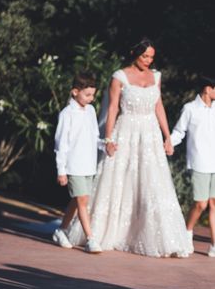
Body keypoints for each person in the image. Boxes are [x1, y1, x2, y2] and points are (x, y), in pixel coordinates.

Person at [67, 38, 192, 257]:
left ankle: (159, 237)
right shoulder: (119, 77)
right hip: (125, 132)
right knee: (118, 181)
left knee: (152, 181)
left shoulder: (156, 76)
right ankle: (105, 233)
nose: (149, 60)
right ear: (135, 54)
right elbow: (113, 107)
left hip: (150, 134)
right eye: (145, 56)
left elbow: (159, 105)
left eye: (152, 57)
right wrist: (108, 138)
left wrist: (167, 135)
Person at [171, 75, 215, 259]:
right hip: (199, 162)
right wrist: (168, 144)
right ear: (208, 89)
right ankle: (187, 232)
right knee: (201, 203)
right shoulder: (190, 109)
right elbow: (179, 132)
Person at [53, 72, 103, 254]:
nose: (91, 99)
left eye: (93, 95)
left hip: (88, 164)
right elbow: (61, 144)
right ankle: (91, 239)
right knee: (82, 200)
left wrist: (106, 146)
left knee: (78, 200)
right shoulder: (67, 114)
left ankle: (61, 230)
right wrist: (61, 170)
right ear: (75, 92)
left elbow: (95, 137)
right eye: (87, 95)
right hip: (73, 165)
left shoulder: (90, 111)